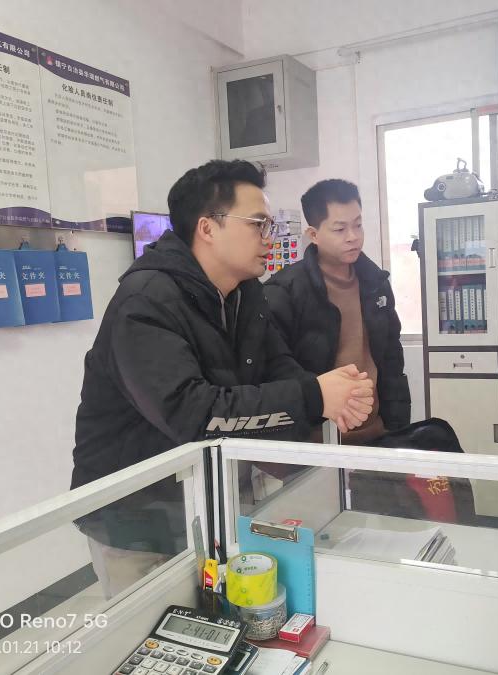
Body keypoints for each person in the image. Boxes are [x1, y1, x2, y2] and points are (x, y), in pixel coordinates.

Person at [71, 160, 374, 598]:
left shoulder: (244, 292)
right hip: (136, 520)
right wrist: (314, 396)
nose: (270, 237)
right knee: (158, 632)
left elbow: (279, 366)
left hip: (208, 502)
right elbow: (194, 413)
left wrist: (335, 396)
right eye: (258, 224)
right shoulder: (146, 302)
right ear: (207, 228)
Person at [264, 179, 410, 445]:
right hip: (318, 443)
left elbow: (391, 357)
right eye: (340, 229)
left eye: (358, 225)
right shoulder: (285, 291)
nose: (353, 236)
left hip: (377, 433)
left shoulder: (375, 283)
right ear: (313, 234)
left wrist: (397, 426)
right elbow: (278, 371)